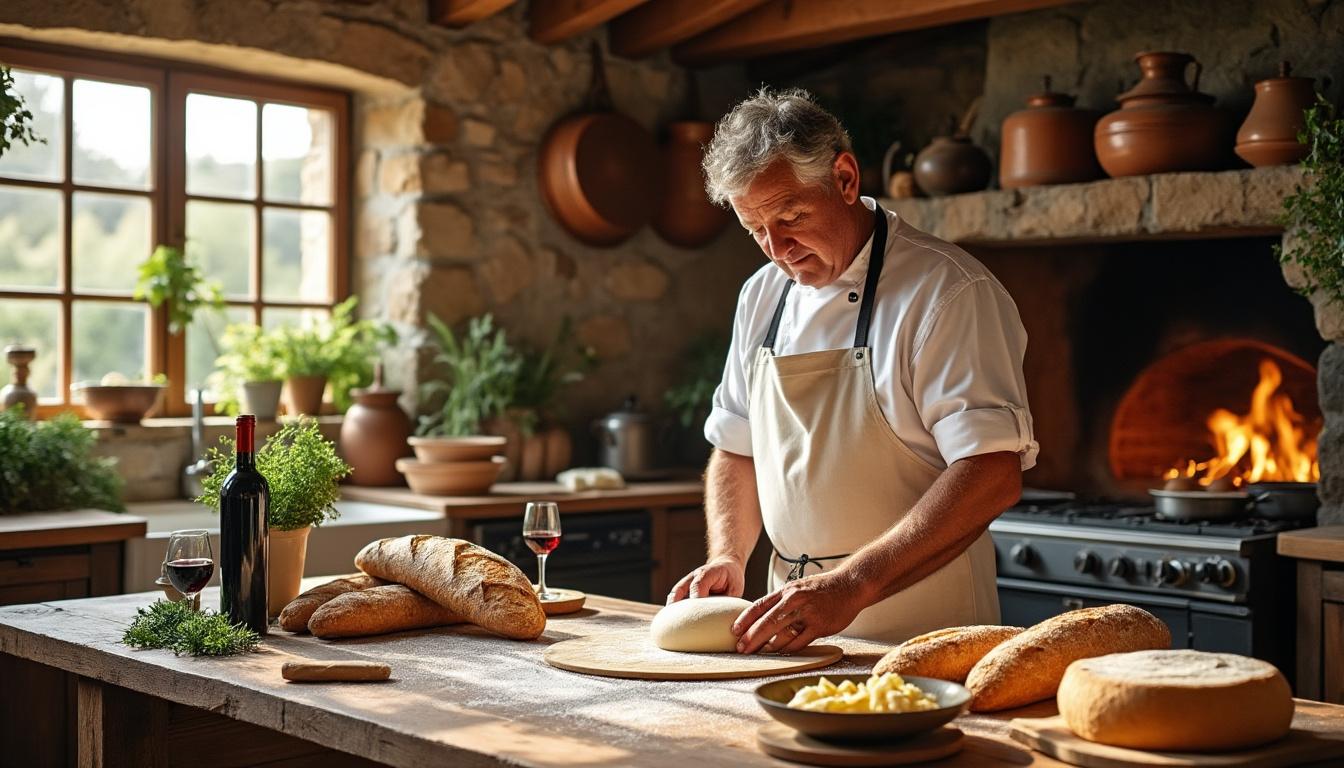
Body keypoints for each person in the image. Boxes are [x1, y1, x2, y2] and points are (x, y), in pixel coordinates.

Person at [667, 88, 1038, 654]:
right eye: (756, 230)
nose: (778, 249)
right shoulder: (761, 296)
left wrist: (852, 585)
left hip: (928, 635)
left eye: (791, 217)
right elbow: (736, 447)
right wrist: (728, 554)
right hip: (792, 633)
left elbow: (991, 471)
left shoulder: (948, 291)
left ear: (844, 178)